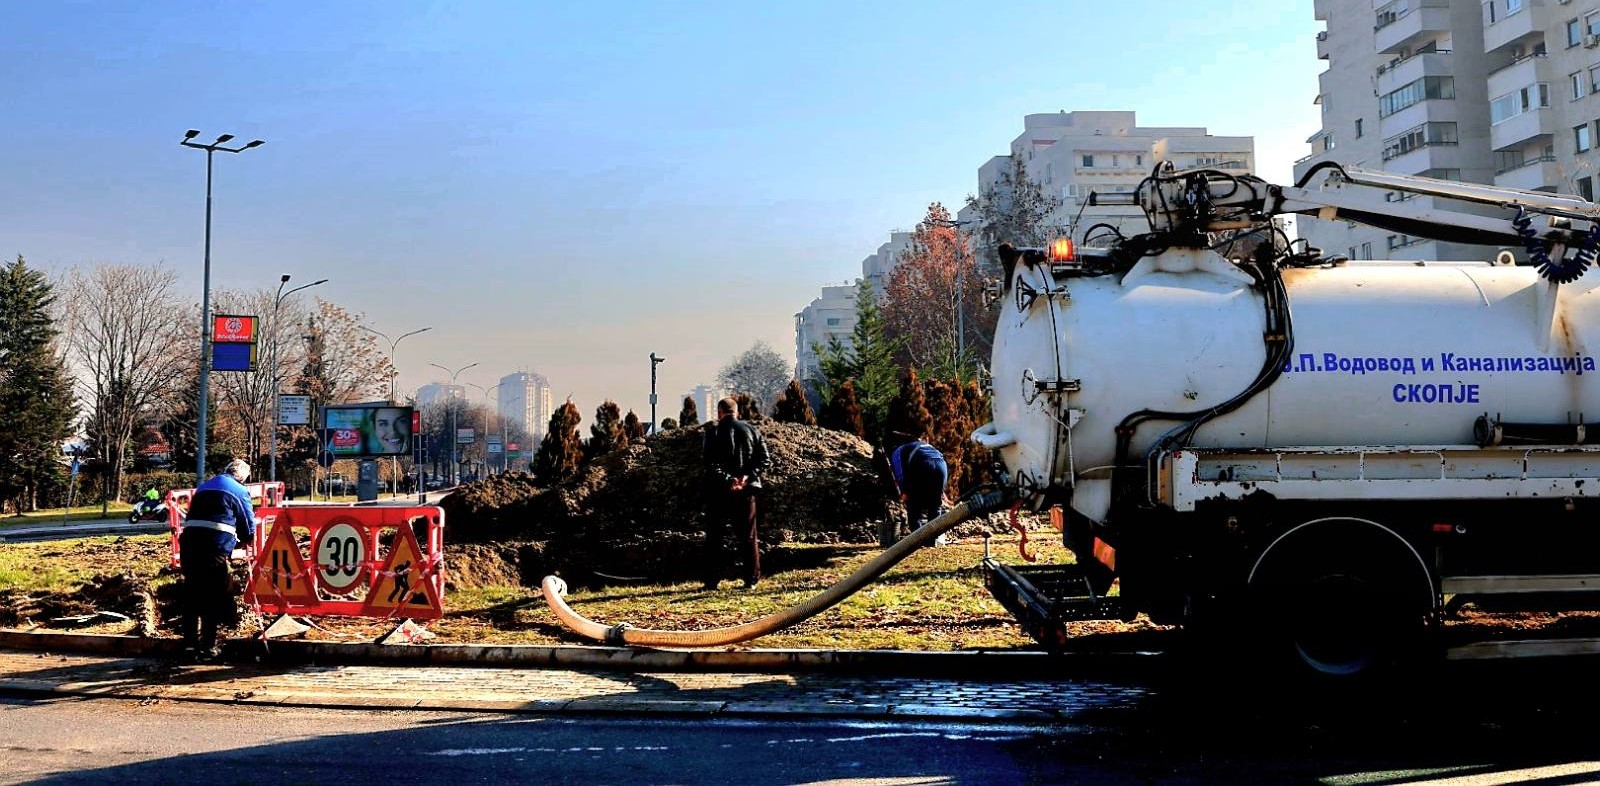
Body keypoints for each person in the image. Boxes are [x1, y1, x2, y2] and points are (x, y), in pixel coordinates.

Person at [178, 459, 257, 662]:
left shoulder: (204, 487)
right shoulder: (239, 490)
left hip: (189, 545)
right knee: (212, 595)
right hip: (214, 547)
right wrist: (244, 541)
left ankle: (188, 646)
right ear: (242, 477)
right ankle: (208, 647)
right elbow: (248, 526)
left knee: (192, 593)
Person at [701, 396, 770, 589]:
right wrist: (747, 476)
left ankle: (712, 581)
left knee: (715, 537)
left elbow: (709, 464)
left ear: (719, 412)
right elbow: (764, 459)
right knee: (748, 536)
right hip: (747, 491)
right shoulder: (752, 430)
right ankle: (751, 579)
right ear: (737, 411)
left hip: (719, 492)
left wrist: (728, 479)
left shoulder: (712, 433)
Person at [888, 433, 950, 546]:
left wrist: (905, 491)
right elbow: (938, 463)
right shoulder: (924, 445)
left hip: (922, 465)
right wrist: (941, 490)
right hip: (942, 466)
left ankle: (918, 541)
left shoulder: (898, 451)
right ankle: (931, 541)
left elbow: (900, 472)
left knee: (913, 506)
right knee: (935, 505)